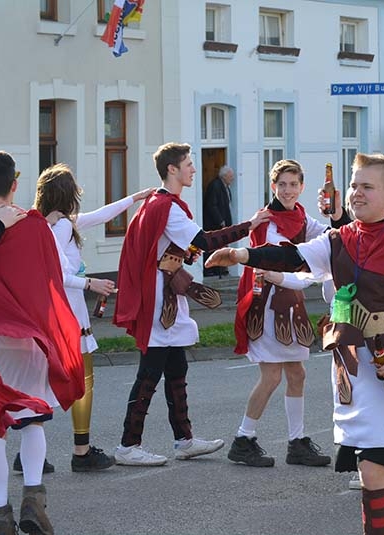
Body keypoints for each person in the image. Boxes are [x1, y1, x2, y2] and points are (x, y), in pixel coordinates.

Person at [206, 153, 384, 535]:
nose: (356, 193)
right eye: (354, 185)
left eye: (366, 187)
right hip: (356, 370)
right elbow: (294, 256)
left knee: (376, 468)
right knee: (374, 470)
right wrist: (243, 254)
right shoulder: (340, 239)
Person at [0, 151, 86, 535]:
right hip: (25, 340)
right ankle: (33, 501)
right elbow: (50, 284)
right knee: (31, 423)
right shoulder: (34, 227)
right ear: (14, 185)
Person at [112, 142, 269, 467]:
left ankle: (184, 440)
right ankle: (128, 445)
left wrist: (186, 255)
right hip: (159, 302)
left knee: (176, 370)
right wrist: (249, 226)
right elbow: (205, 241)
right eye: (188, 164)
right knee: (149, 374)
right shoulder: (166, 207)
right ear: (172, 169)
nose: (194, 169)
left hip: (165, 299)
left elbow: (181, 248)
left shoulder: (159, 203)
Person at [34, 163, 154, 472]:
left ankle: (30, 453)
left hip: (49, 313)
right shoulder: (62, 226)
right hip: (70, 312)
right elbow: (57, 274)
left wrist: (134, 198)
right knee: (83, 380)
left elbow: (100, 215)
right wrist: (90, 283)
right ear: (67, 194)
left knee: (42, 381)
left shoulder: (46, 223)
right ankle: (81, 451)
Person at [227, 159, 331, 468]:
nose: (287, 190)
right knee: (271, 376)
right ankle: (243, 439)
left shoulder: (301, 216)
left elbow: (328, 236)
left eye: (293, 184)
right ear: (273, 186)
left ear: (302, 187)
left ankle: (297, 442)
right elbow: (274, 259)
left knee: (297, 374)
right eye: (282, 185)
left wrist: (340, 217)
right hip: (268, 302)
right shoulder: (267, 220)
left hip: (291, 301)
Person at [203, 165, 234, 277]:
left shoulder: (225, 186)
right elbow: (212, 205)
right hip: (214, 224)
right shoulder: (215, 185)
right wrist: (220, 220)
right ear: (224, 176)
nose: (232, 179)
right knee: (213, 246)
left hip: (222, 223)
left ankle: (220, 269)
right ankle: (210, 269)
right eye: (230, 176)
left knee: (221, 246)